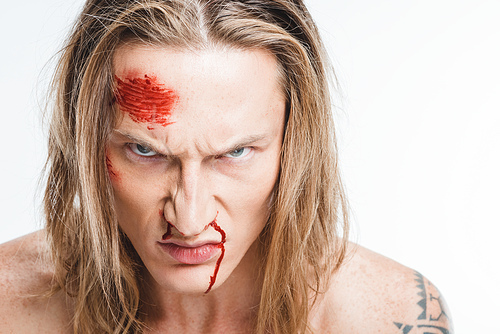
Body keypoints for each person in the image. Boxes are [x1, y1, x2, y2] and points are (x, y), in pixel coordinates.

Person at [0, 0, 453, 333]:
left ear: (295, 145)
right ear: (86, 142)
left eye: (234, 154)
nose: (190, 219)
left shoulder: (389, 318)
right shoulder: (10, 306)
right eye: (146, 152)